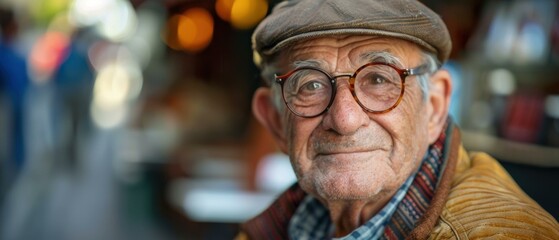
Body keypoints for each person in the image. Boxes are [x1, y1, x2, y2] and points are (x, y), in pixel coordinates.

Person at [237, 0, 559, 239]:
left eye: (379, 80)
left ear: (434, 106)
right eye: (311, 85)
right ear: (275, 121)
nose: (345, 119)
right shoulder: (287, 223)